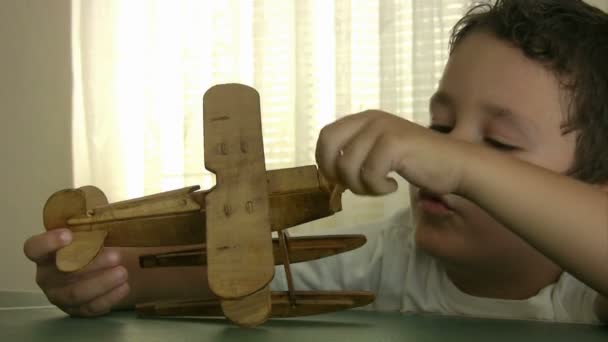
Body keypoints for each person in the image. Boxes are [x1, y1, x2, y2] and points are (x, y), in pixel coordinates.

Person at [24, 0, 608, 323]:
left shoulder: (584, 293)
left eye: (498, 144)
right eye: (440, 126)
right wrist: (99, 274)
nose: (444, 155)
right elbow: (229, 272)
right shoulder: (389, 254)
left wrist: (463, 166)